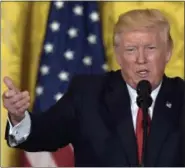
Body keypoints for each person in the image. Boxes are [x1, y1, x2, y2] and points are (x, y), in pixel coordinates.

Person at [3, 9, 185, 167]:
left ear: (168, 51)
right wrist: (18, 118)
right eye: (131, 49)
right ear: (118, 56)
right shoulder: (88, 95)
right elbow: (45, 133)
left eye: (150, 48)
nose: (141, 59)